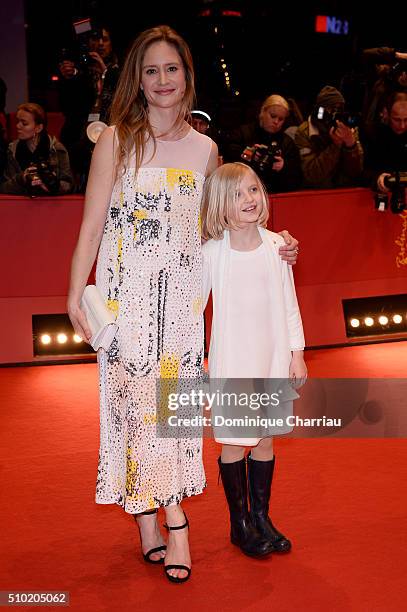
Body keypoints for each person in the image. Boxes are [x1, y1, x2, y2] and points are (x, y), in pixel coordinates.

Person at [67, 24, 299, 585]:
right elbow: (92, 223)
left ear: (186, 77)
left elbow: (222, 229)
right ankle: (171, 521)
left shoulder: (207, 149)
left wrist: (278, 246)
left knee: (171, 416)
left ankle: (154, 516)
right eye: (151, 71)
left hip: (183, 308)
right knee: (132, 412)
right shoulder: (116, 141)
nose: (162, 80)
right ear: (137, 81)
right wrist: (75, 292)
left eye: (172, 69)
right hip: (127, 304)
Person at [201, 162, 306, 557]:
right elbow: (194, 308)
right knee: (233, 443)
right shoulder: (211, 253)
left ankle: (261, 517)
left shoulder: (277, 245)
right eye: (237, 194)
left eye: (253, 190)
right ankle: (240, 523)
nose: (248, 199)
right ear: (218, 206)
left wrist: (297, 353)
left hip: (273, 359)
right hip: (232, 363)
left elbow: (290, 304)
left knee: (265, 440)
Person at [58, 25, 120, 189]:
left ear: (111, 43)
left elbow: (122, 99)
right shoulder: (78, 71)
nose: (100, 43)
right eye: (95, 39)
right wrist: (69, 79)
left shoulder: (120, 70)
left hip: (112, 134)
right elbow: (66, 107)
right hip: (80, 138)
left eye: (104, 39)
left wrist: (105, 73)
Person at [225, 94, 302, 193]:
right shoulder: (243, 133)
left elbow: (298, 177)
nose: (276, 121)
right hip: (242, 191)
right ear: (263, 112)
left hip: (276, 193)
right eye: (273, 116)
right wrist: (247, 154)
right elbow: (227, 155)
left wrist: (284, 166)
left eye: (281, 119)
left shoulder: (287, 143)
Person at [295, 86, 364, 189]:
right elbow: (312, 175)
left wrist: (350, 146)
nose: (335, 113)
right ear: (320, 111)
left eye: (339, 108)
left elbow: (356, 172)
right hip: (316, 193)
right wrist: (335, 146)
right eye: (331, 109)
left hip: (344, 190)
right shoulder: (305, 132)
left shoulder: (348, 129)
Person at [0, 102, 72, 196]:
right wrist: (22, 178)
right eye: (17, 121)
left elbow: (69, 185)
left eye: (24, 123)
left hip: (51, 205)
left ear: (38, 128)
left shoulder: (57, 149)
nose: (18, 126)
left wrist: (53, 184)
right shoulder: (12, 150)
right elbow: (4, 187)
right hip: (22, 205)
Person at [363, 92, 407, 206]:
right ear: (386, 113)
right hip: (374, 199)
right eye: (397, 120)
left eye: (406, 120)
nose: (402, 126)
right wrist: (379, 178)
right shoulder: (372, 134)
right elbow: (362, 171)